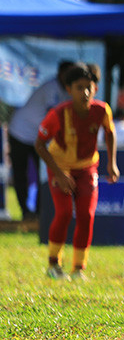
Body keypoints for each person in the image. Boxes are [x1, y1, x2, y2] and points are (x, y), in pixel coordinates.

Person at [35, 64, 119, 280]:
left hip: (86, 167)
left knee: (86, 215)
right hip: (60, 167)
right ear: (69, 90)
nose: (85, 92)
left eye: (89, 87)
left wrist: (112, 163)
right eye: (79, 88)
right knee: (63, 213)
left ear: (96, 89)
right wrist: (59, 174)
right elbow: (39, 144)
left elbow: (110, 133)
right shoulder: (58, 114)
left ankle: (78, 269)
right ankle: (54, 265)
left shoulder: (102, 110)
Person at [8, 61, 82, 221]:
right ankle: (26, 213)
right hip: (20, 132)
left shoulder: (68, 90)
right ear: (61, 74)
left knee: (46, 173)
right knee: (21, 174)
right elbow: (53, 117)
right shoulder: (52, 88)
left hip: (37, 137)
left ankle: (41, 212)